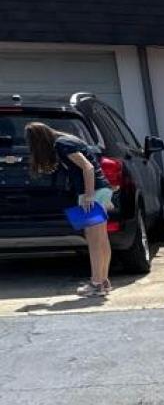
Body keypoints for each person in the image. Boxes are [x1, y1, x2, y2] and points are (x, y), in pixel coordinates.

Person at [25, 122, 113, 298]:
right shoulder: (68, 139)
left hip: (92, 193)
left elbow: (87, 167)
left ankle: (96, 284)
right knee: (102, 240)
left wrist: (88, 195)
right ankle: (103, 281)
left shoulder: (61, 145)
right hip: (101, 190)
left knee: (94, 242)